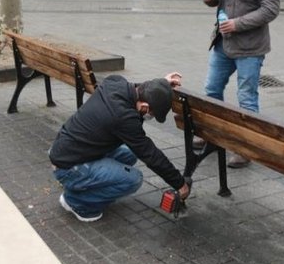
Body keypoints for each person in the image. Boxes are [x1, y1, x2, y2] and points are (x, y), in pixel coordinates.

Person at [49, 72, 190, 222]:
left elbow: (143, 88)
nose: (150, 117)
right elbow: (151, 155)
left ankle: (83, 184)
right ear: (144, 107)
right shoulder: (124, 118)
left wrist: (161, 85)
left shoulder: (115, 82)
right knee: (134, 179)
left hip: (66, 150)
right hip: (68, 167)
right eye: (152, 114)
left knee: (130, 152)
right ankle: (75, 202)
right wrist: (180, 184)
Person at [199, 0, 280, 168]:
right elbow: (218, 1)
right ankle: (213, 135)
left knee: (246, 97)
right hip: (222, 43)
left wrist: (238, 24)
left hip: (250, 47)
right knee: (211, 89)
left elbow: (271, 9)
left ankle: (246, 148)